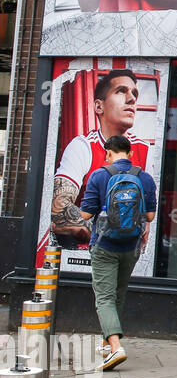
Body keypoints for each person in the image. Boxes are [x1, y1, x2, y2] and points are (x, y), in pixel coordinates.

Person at [78, 134, 157, 370]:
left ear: (108, 153)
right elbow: (150, 216)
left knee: (104, 297)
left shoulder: (100, 175)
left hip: (104, 246)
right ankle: (106, 343)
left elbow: (86, 214)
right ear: (130, 154)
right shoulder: (144, 178)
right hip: (131, 246)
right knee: (118, 294)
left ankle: (115, 348)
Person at [50, 70, 151, 248]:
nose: (132, 99)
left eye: (134, 93)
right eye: (121, 91)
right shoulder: (83, 146)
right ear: (99, 107)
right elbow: (58, 209)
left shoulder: (146, 150)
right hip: (88, 256)